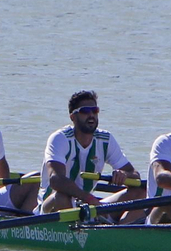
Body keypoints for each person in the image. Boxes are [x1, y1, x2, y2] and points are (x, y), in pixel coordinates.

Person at [38, 91, 145, 222]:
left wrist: (124, 174)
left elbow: (134, 174)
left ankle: (117, 234)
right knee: (61, 196)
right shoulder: (60, 139)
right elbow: (56, 180)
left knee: (140, 192)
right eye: (85, 111)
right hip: (51, 207)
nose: (91, 115)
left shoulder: (106, 140)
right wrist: (89, 199)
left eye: (94, 110)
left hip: (87, 206)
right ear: (73, 117)